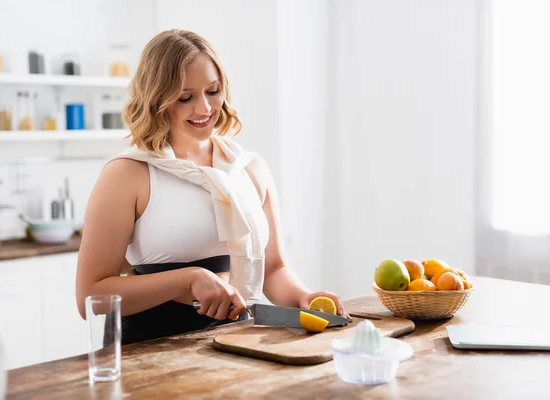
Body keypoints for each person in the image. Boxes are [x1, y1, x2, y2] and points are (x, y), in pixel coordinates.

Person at [75, 29, 349, 345]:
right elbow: (89, 297)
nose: (204, 108)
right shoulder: (127, 174)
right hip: (149, 348)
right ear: (157, 99)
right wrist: (188, 279)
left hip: (235, 339)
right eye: (185, 97)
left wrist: (303, 297)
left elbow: (273, 270)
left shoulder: (248, 168)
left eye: (213, 90)